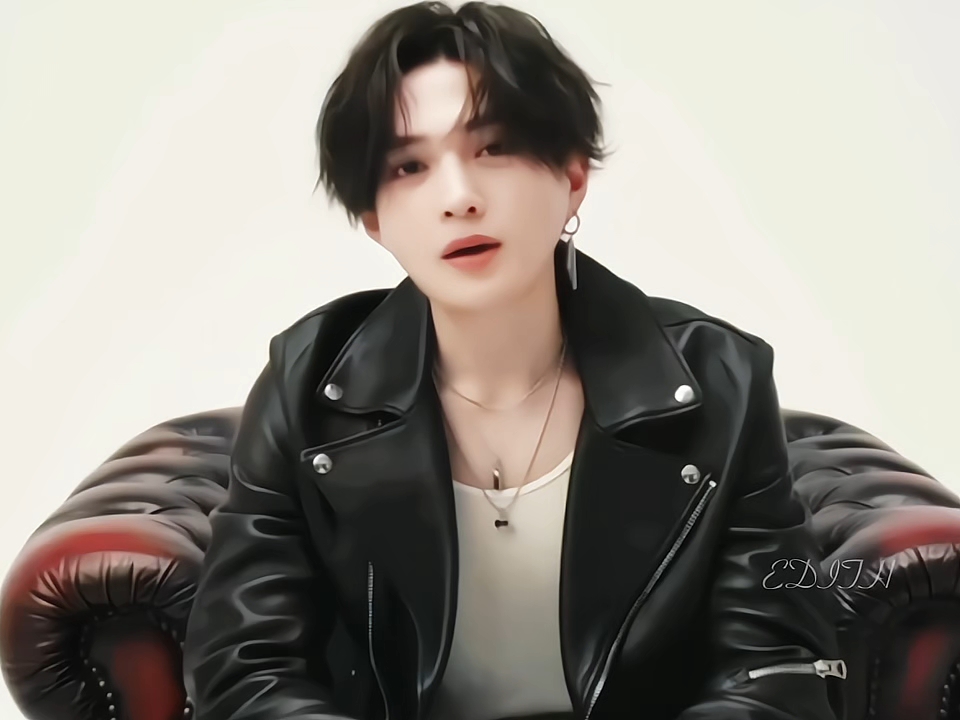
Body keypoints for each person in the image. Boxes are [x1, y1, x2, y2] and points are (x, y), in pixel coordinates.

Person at [182, 2, 847, 719]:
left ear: (572, 175)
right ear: (374, 218)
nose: (459, 198)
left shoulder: (721, 382)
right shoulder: (307, 384)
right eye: (410, 166)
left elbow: (776, 664)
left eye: (493, 148)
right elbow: (245, 666)